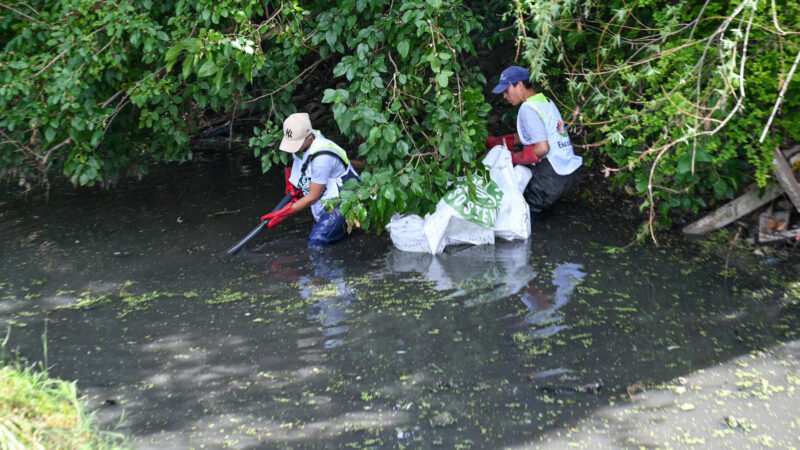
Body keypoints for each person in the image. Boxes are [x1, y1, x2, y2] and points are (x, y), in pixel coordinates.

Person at [486, 65, 582, 214]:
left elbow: (543, 148)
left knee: (523, 220)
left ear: (518, 85)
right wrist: (498, 141)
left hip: (551, 178)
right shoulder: (545, 101)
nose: (505, 96)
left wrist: (513, 159)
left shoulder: (527, 108)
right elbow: (533, 133)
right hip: (569, 172)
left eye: (506, 90)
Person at [261, 112, 359, 246]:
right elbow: (304, 170)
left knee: (317, 241)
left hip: (344, 203)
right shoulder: (304, 145)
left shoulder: (321, 156)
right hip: (326, 200)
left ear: (308, 137)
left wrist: (285, 212)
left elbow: (313, 196)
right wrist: (295, 188)